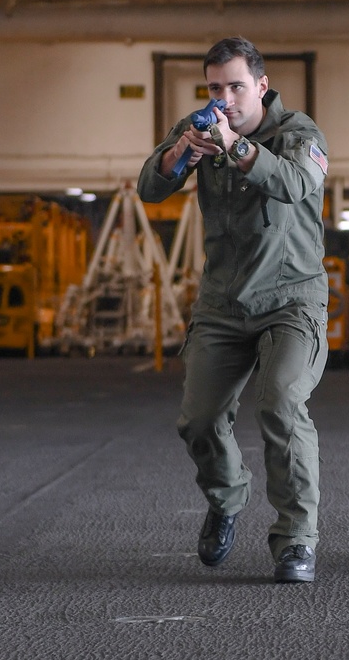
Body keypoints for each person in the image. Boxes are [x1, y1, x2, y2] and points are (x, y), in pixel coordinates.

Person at [137, 37, 329, 584]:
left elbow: (295, 184)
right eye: (215, 87)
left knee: (282, 405)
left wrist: (237, 148)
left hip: (291, 300)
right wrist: (182, 153)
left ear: (261, 87)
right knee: (197, 420)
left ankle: (296, 539)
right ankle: (226, 498)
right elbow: (150, 188)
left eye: (236, 87)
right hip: (223, 301)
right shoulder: (197, 129)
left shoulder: (299, 134)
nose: (225, 97)